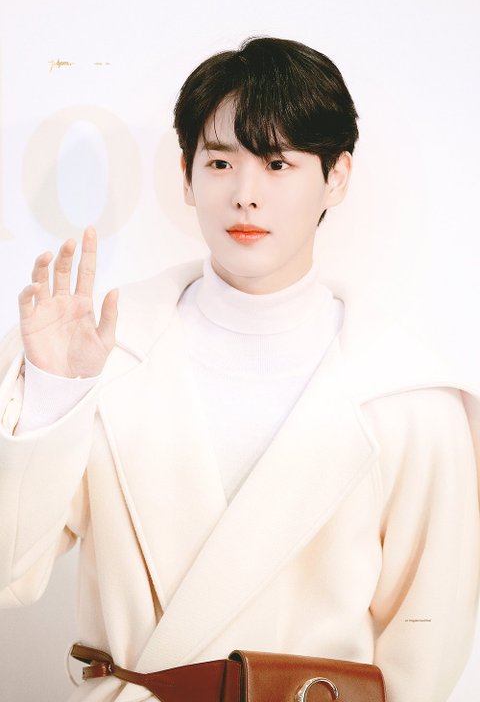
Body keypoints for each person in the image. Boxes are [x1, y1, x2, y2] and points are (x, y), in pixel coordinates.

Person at [0, 37, 479, 702]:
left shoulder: (410, 397)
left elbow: (425, 655)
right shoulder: (102, 348)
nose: (246, 195)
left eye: (278, 163)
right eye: (221, 162)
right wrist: (54, 394)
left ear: (337, 176)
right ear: (187, 176)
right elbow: (9, 576)